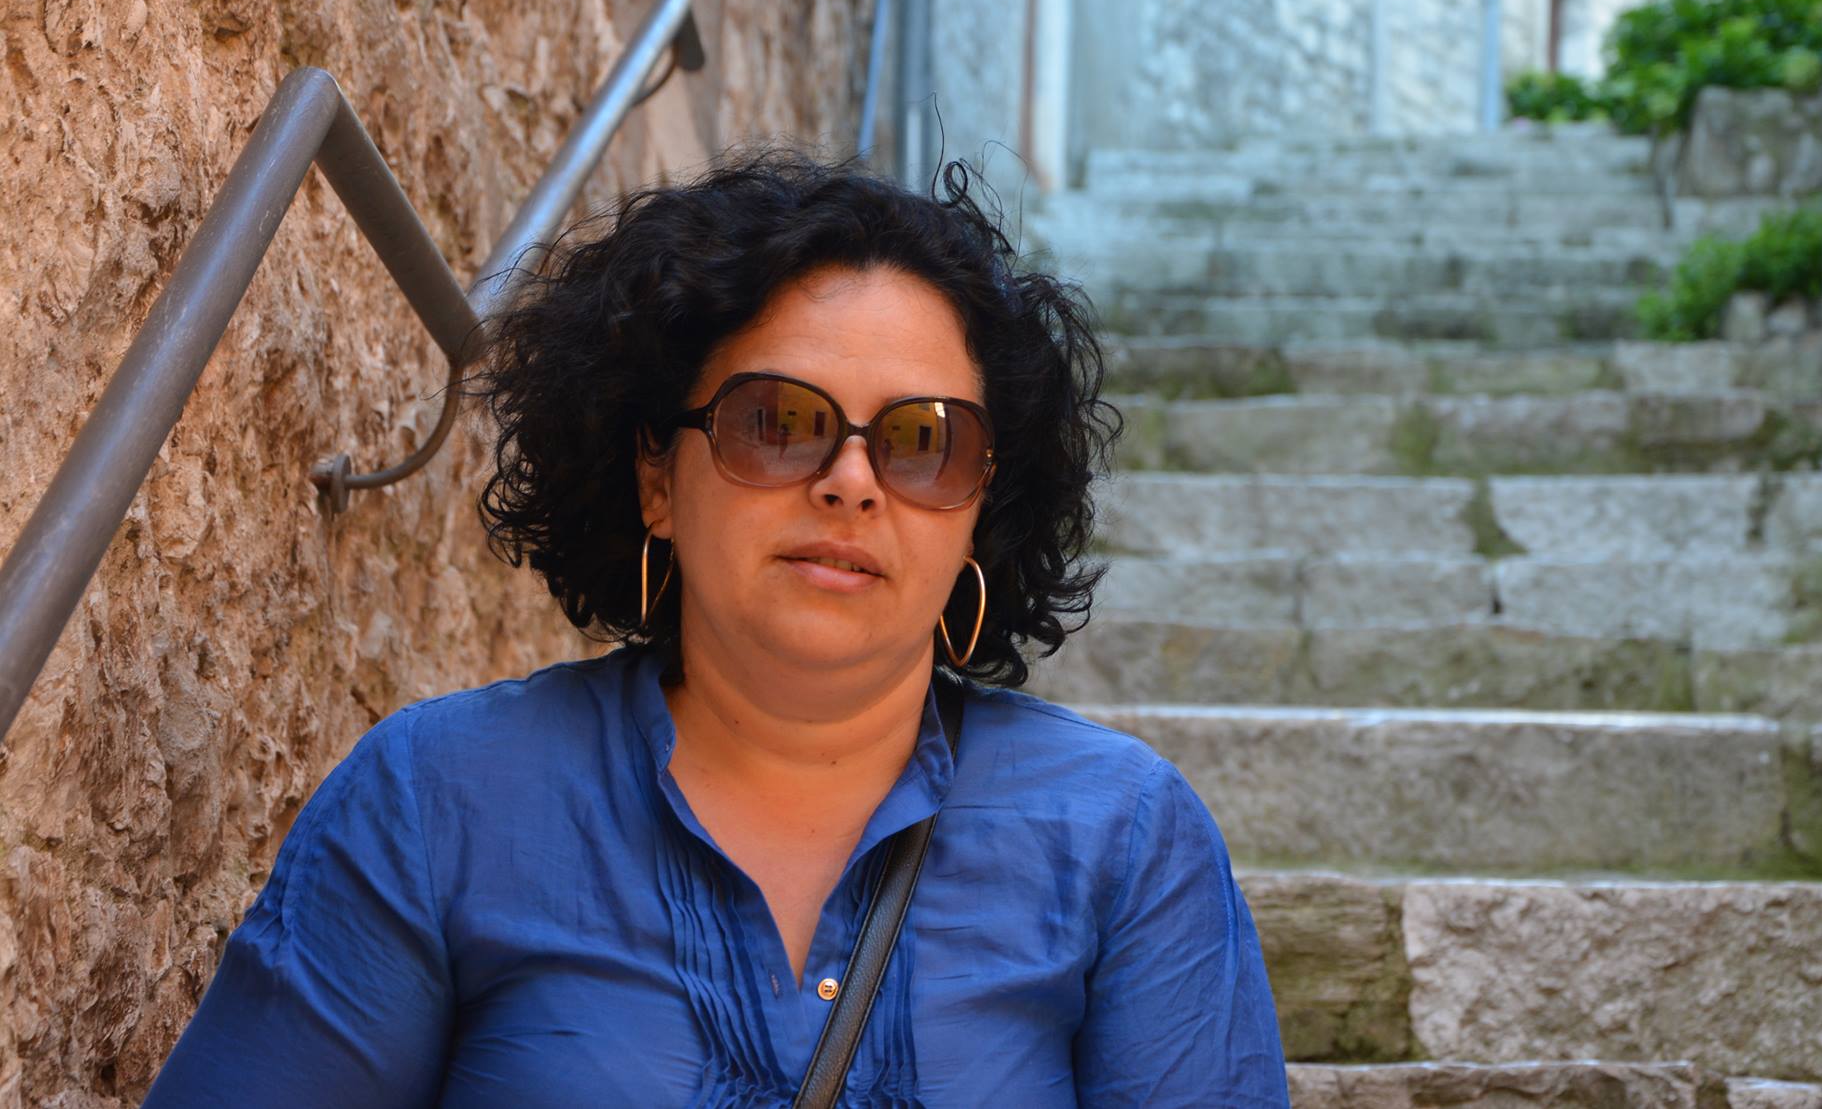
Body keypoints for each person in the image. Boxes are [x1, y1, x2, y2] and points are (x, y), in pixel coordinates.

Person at [142, 154, 1290, 1106]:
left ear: (977, 513)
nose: (850, 482)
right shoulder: (442, 802)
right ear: (656, 474)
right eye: (776, 423)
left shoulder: (1120, 840)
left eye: (923, 442)